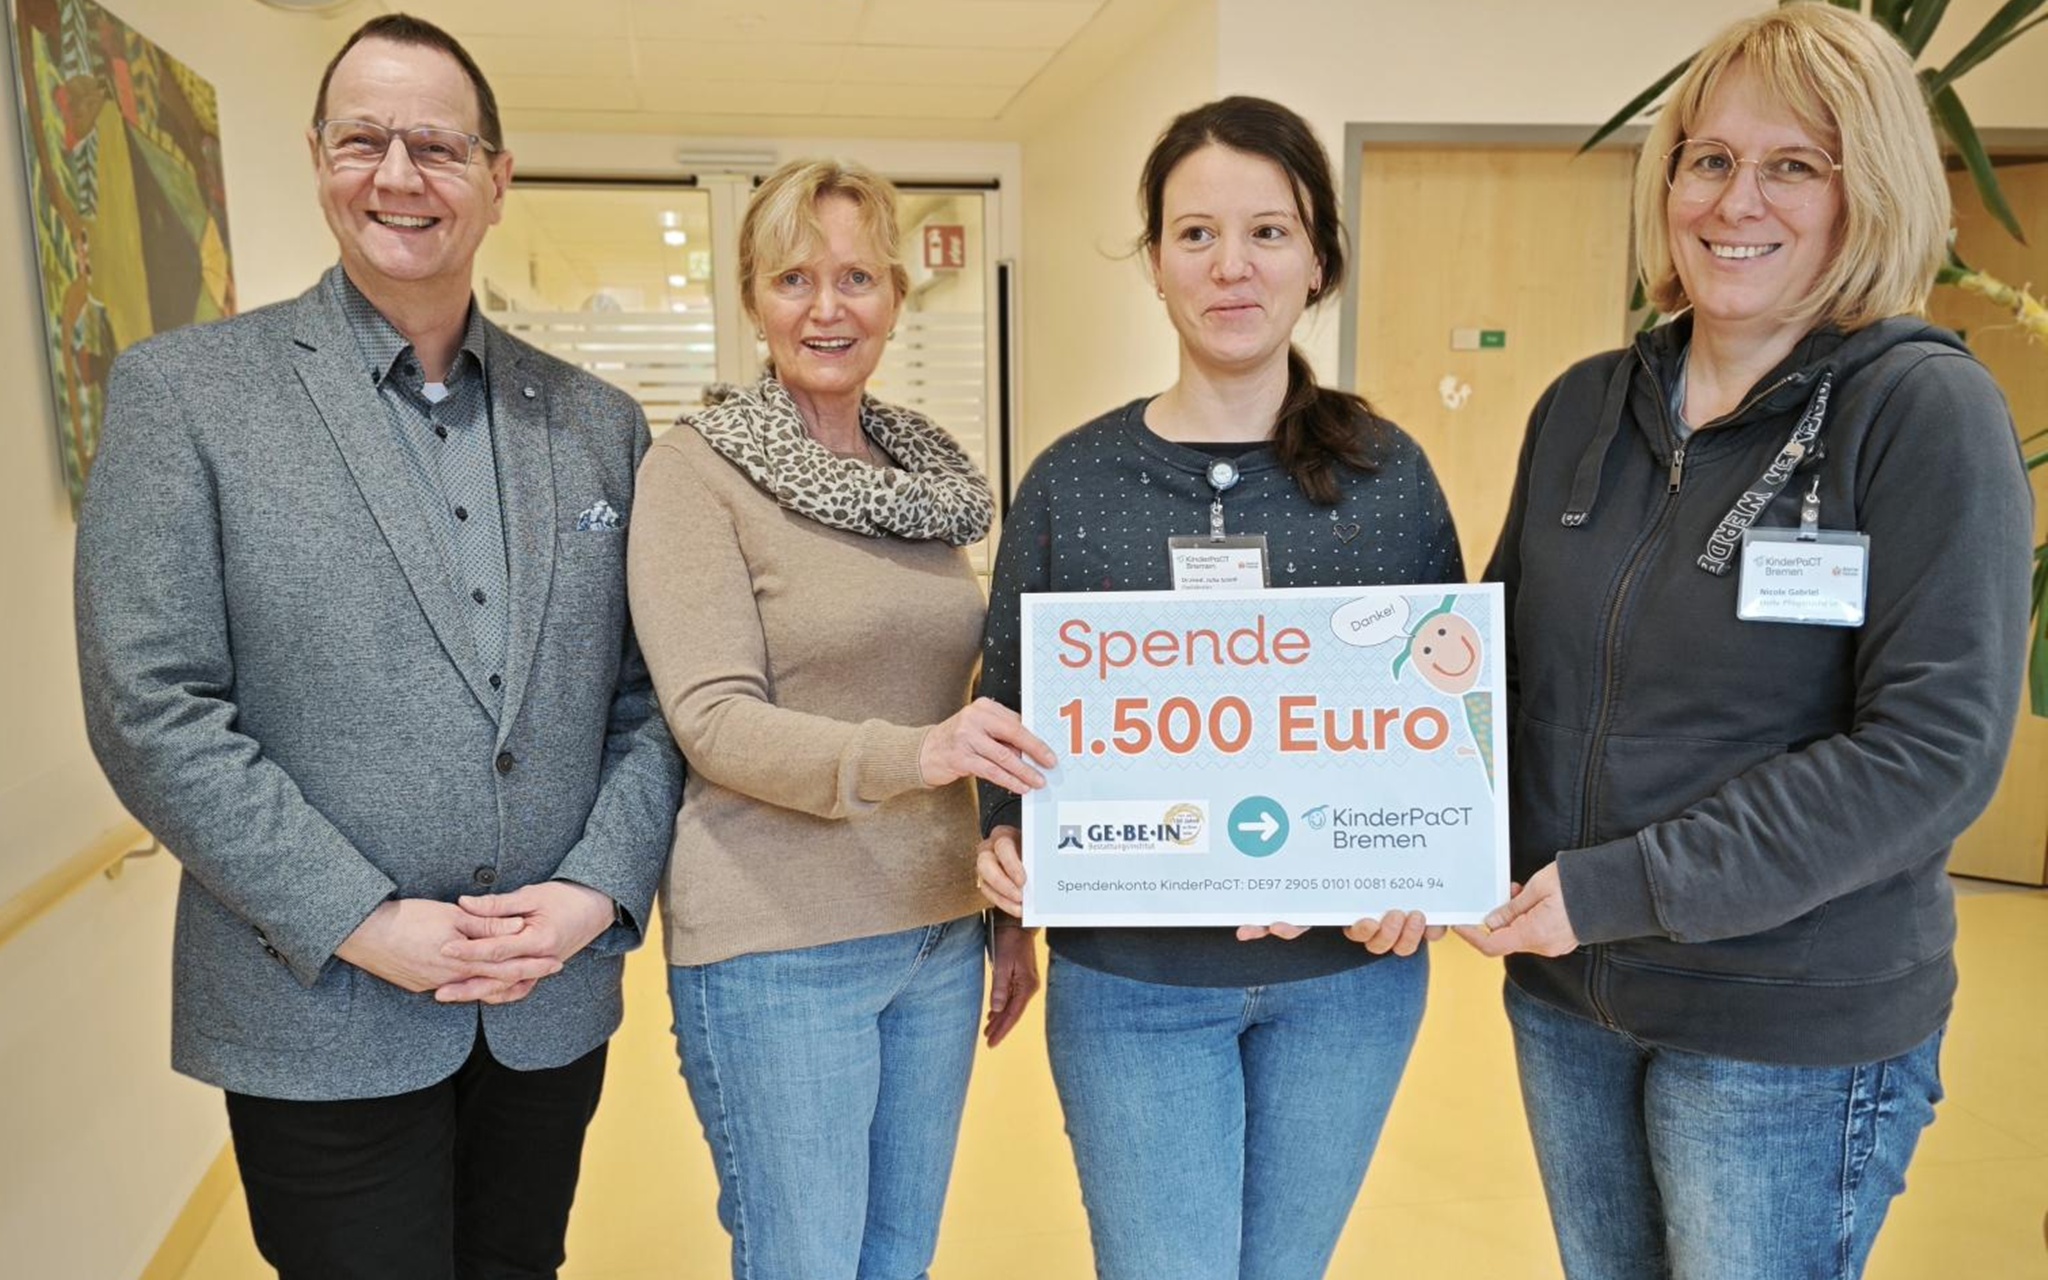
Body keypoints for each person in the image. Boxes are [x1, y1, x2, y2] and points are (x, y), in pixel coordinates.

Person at [74, 15, 682, 1279]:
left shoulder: (598, 424)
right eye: (363, 140)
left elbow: (649, 697)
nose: (398, 175)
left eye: (437, 147)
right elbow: (153, 705)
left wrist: (593, 890)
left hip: (543, 1001)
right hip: (319, 1005)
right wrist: (356, 916)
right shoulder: (187, 396)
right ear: (317, 158)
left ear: (497, 178)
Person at [1459, 6, 2034, 1278]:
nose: (1735, 201)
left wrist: (1621, 885)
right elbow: (1492, 675)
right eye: (1707, 159)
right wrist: (1389, 830)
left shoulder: (1921, 412)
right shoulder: (1582, 408)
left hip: (1783, 1027)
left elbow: (1929, 752)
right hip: (1570, 1002)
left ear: (1863, 193)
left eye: (1792, 165)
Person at [973, 97, 1464, 1280]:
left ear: (1317, 260)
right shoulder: (1071, 482)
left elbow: (1449, 724)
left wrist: (1424, 879)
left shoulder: (1389, 479)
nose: (1229, 266)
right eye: (1194, 234)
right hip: (1131, 981)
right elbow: (1010, 706)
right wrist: (1002, 848)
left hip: (1345, 985)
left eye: (1267, 232)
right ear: (1153, 261)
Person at [626, 158, 1054, 1280]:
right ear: (751, 299)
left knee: (898, 1257)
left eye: (857, 276)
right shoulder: (694, 474)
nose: (828, 307)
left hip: (936, 925)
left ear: (897, 297)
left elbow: (966, 698)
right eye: (793, 278)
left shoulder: (926, 481)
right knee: (805, 1262)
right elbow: (712, 719)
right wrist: (922, 753)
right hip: (778, 941)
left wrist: (1008, 908)